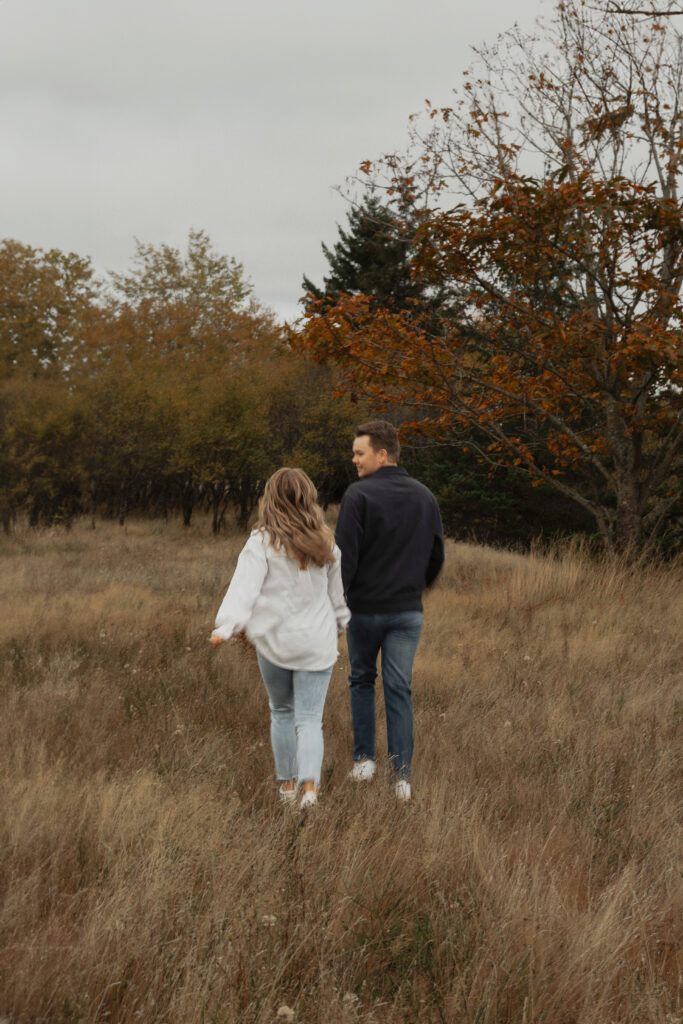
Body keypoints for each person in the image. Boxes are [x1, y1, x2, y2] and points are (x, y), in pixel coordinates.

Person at [210, 468, 349, 810]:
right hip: (316, 642)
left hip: (275, 643)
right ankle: (311, 790)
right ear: (308, 499)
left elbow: (244, 588)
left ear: (269, 499)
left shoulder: (261, 542)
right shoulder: (328, 544)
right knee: (309, 719)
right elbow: (337, 599)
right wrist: (339, 629)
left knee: (282, 711)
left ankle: (287, 790)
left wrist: (225, 627)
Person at [335, 420, 444, 802]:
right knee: (399, 689)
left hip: (363, 611)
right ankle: (402, 779)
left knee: (362, 681)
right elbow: (436, 556)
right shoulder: (426, 496)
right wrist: (414, 591)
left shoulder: (357, 496)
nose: (354, 460)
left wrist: (338, 604)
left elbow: (343, 559)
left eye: (359, 453)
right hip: (406, 612)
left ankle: (365, 762)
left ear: (383, 454)